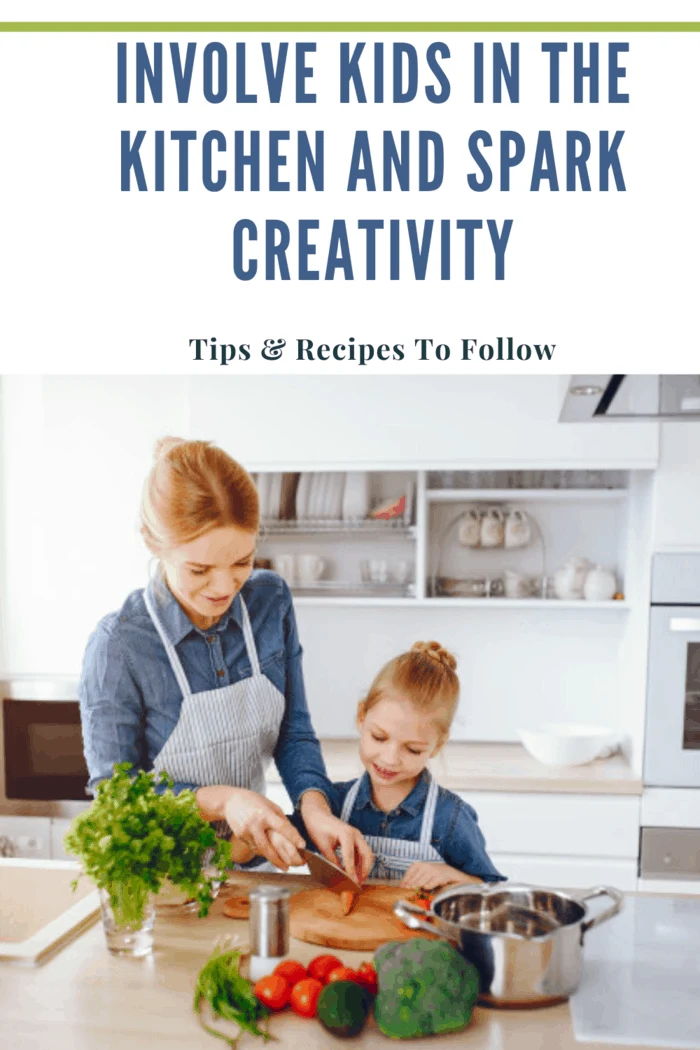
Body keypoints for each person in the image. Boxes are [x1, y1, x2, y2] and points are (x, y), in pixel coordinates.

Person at [78, 437, 372, 880]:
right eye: (199, 570)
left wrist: (315, 809)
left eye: (242, 562)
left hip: (249, 868)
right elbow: (115, 794)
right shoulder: (119, 645)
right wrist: (224, 800)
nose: (223, 586)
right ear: (152, 543)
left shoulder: (270, 602)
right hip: (161, 885)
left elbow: (293, 732)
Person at [294, 641, 505, 888]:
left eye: (412, 749)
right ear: (362, 716)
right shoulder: (331, 804)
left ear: (437, 745)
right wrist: (237, 845)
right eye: (379, 737)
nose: (390, 758)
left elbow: (492, 891)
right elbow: (249, 850)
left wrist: (454, 876)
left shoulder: (450, 819)